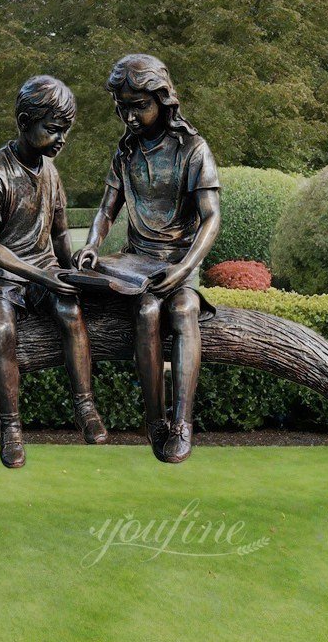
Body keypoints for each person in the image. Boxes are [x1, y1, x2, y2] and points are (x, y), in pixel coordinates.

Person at [74, 54, 220, 463]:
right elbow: (106, 210)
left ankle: (183, 423)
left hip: (178, 262)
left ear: (162, 99)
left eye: (139, 105)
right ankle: (154, 420)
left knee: (185, 308)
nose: (131, 116)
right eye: (124, 108)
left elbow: (211, 218)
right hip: (135, 261)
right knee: (144, 311)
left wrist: (185, 268)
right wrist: (91, 245)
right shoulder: (125, 152)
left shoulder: (192, 148)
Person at [0, 75, 108, 468]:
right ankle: (11, 427)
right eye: (53, 128)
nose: (61, 139)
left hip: (44, 270)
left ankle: (85, 406)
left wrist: (73, 267)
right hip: (1, 275)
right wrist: (42, 276)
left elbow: (60, 231)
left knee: (69, 311)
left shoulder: (51, 170)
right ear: (25, 121)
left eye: (66, 130)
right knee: (0, 330)